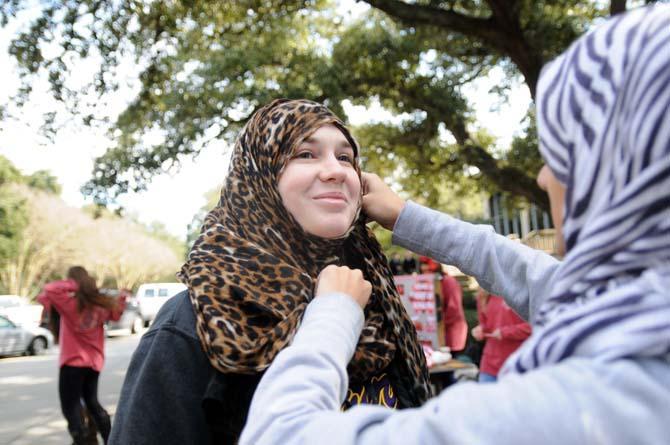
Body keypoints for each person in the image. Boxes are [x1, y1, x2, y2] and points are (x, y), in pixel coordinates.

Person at [239, 6, 670, 444]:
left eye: (561, 155)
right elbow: (523, 271)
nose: (543, 177)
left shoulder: (582, 409)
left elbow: (279, 435)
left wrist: (333, 314)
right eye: (305, 154)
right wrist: (408, 217)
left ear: (619, 171)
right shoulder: (638, 311)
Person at [109, 99, 431, 444]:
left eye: (345, 158)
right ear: (258, 177)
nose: (335, 170)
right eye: (305, 154)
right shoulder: (198, 318)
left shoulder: (373, 297)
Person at [37, 266, 126, 445]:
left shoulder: (70, 303)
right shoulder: (100, 304)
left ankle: (82, 440)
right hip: (94, 363)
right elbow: (117, 313)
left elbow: (49, 289)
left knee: (70, 408)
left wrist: (72, 284)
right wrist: (122, 297)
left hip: (72, 363)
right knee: (92, 403)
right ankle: (110, 439)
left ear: (73, 281)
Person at [472, 288, 531, 382]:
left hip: (517, 365)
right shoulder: (484, 293)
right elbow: (485, 323)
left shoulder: (525, 292)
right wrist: (480, 329)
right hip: (489, 366)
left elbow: (534, 326)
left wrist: (505, 332)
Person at [418, 256, 468, 352]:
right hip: (436, 334)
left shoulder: (448, 282)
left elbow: (454, 311)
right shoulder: (430, 282)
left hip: (451, 335)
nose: (424, 271)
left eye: (428, 269)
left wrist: (433, 324)